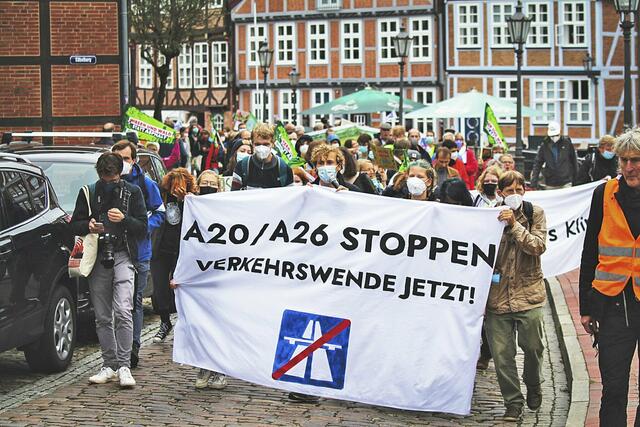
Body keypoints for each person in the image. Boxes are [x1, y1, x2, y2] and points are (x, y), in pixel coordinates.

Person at [68, 152, 148, 388]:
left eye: (113, 179)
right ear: (99, 174)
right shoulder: (89, 192)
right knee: (102, 316)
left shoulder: (133, 192)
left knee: (123, 309)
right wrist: (89, 225)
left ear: (120, 174)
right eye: (105, 178)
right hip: (98, 256)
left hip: (124, 255)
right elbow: (74, 225)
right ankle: (109, 364)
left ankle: (124, 365)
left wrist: (124, 219)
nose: (109, 182)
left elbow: (143, 228)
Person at [578, 129, 640, 426]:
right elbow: (589, 251)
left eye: (636, 160)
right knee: (614, 388)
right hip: (614, 304)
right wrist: (586, 307)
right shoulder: (603, 194)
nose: (629, 167)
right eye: (624, 160)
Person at [485, 170, 547, 421]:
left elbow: (537, 246)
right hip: (496, 298)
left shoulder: (535, 214)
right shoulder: (488, 216)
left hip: (528, 294)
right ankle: (513, 403)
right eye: (509, 191)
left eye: (518, 190)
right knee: (502, 356)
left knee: (533, 347)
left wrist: (515, 225)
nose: (514, 195)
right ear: (500, 193)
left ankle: (533, 383)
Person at [111, 140, 165, 369]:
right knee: (114, 303)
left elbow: (160, 213)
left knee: (134, 301)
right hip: (113, 249)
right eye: (117, 159)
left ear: (133, 160)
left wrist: (143, 227)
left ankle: (132, 347)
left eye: (125, 158)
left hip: (139, 251)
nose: (121, 163)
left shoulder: (146, 183)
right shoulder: (108, 182)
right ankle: (116, 347)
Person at [151, 168, 197, 345]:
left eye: (181, 184)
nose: (176, 188)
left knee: (182, 288)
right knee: (160, 288)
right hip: (161, 248)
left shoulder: (192, 200)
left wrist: (184, 201)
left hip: (182, 250)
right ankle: (164, 322)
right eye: (174, 184)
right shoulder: (161, 197)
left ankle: (185, 324)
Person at [232, 123, 294, 190]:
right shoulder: (242, 166)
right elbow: (234, 195)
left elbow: (290, 196)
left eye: (266, 144)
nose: (261, 147)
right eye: (257, 144)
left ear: (273, 144)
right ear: (252, 143)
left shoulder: (283, 167)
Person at [530, 121, 578, 189]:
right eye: (552, 136)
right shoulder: (544, 145)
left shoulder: (567, 143)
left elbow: (574, 161)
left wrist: (577, 180)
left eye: (556, 135)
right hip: (550, 182)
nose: (554, 137)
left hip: (566, 181)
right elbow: (538, 163)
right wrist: (534, 181)